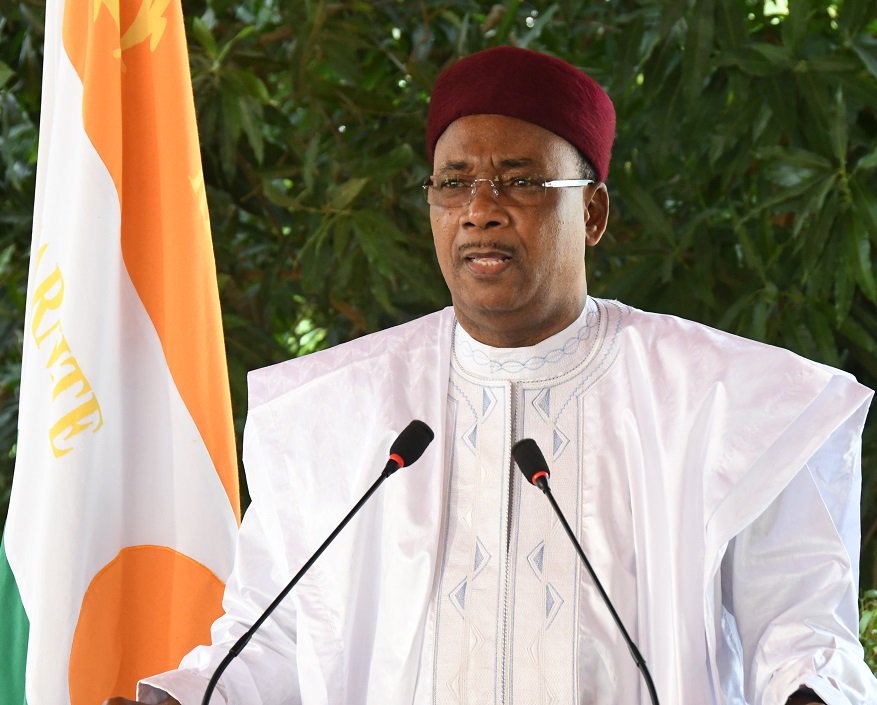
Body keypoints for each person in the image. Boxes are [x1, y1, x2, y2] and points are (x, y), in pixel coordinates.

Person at [106, 46, 876, 705]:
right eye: (453, 182)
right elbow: (271, 641)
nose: (480, 209)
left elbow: (800, 628)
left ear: (593, 213)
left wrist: (809, 691)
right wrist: (187, 694)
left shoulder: (724, 402)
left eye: (520, 181)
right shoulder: (336, 415)